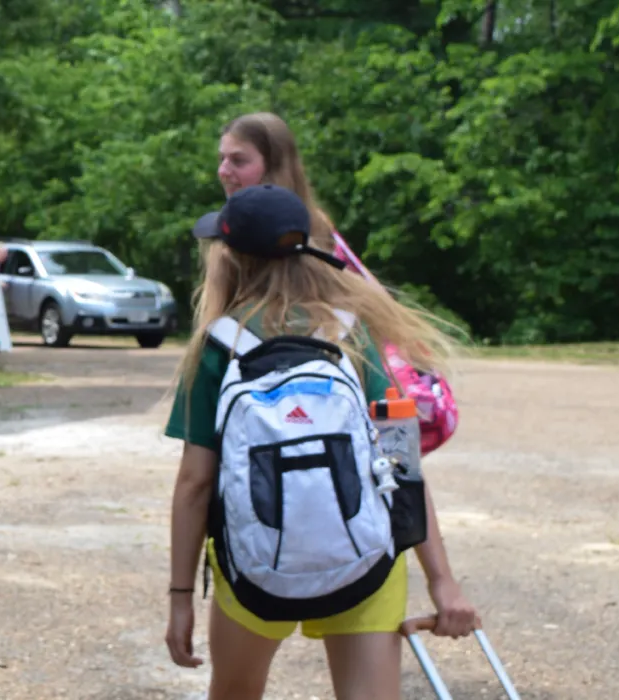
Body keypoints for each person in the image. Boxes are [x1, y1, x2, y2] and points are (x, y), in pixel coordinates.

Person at [161, 183, 479, 698]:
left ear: (233, 256)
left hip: (255, 562)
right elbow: (401, 467)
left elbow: (195, 483)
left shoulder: (219, 343)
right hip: (365, 558)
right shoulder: (351, 331)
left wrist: (180, 598)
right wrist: (442, 580)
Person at [215, 112, 461, 455]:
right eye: (222, 159)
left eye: (238, 161)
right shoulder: (254, 230)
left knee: (397, 477)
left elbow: (375, 303)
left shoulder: (307, 232)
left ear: (274, 166)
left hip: (338, 383)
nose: (224, 171)